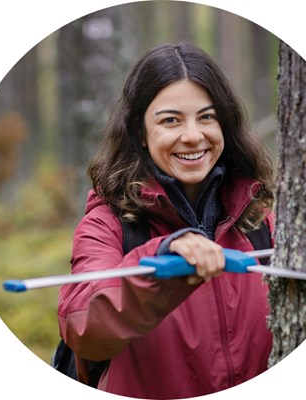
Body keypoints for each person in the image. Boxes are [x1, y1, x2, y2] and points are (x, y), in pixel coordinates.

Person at [58, 42, 275, 399]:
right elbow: (84, 326)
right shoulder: (107, 225)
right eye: (170, 120)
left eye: (207, 116)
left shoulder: (260, 220)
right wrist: (163, 259)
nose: (193, 135)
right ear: (141, 134)